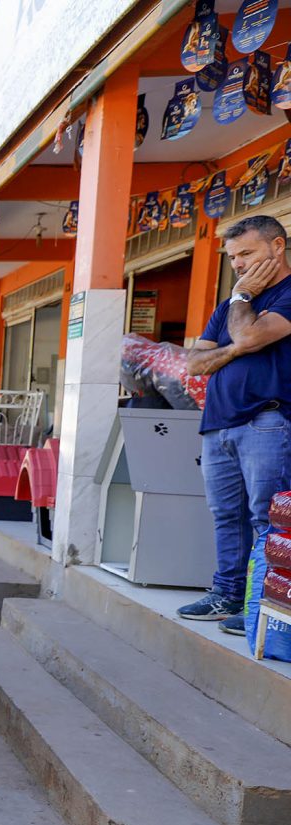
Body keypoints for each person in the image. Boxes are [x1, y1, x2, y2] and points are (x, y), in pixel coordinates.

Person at [176, 214, 291, 636]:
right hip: (219, 424)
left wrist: (242, 299)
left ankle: (264, 605)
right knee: (226, 515)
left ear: (278, 246)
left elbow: (248, 338)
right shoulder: (228, 306)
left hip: (268, 420)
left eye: (247, 253)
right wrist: (234, 340)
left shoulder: (281, 295)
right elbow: (194, 363)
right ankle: (226, 593)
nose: (238, 264)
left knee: (268, 518)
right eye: (233, 258)